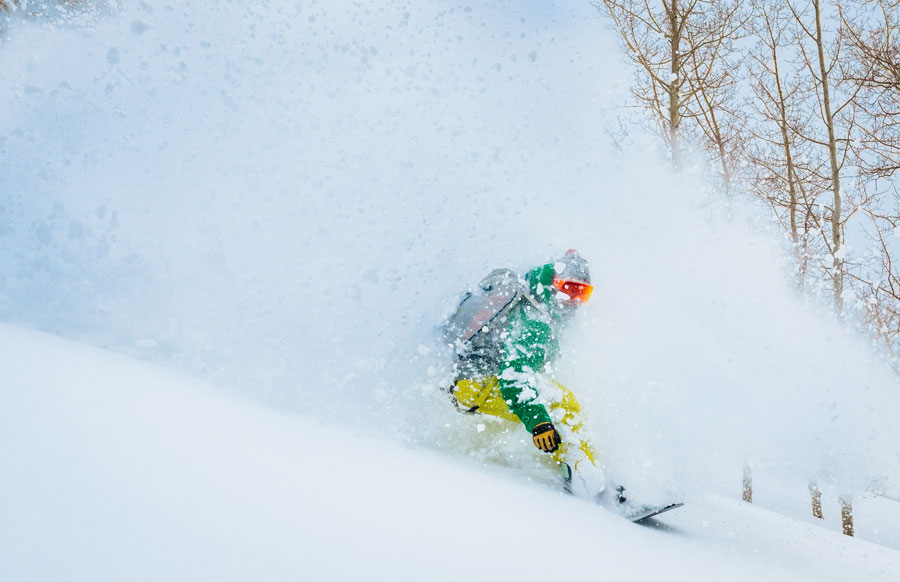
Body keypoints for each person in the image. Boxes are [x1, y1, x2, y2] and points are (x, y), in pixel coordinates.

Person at [446, 250, 610, 501]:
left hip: (467, 380)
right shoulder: (536, 319)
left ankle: (581, 469)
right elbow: (513, 375)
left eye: (582, 293)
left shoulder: (531, 294)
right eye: (569, 289)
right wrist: (539, 422)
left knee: (560, 398)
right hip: (473, 385)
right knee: (562, 404)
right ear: (555, 284)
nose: (573, 300)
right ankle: (584, 477)